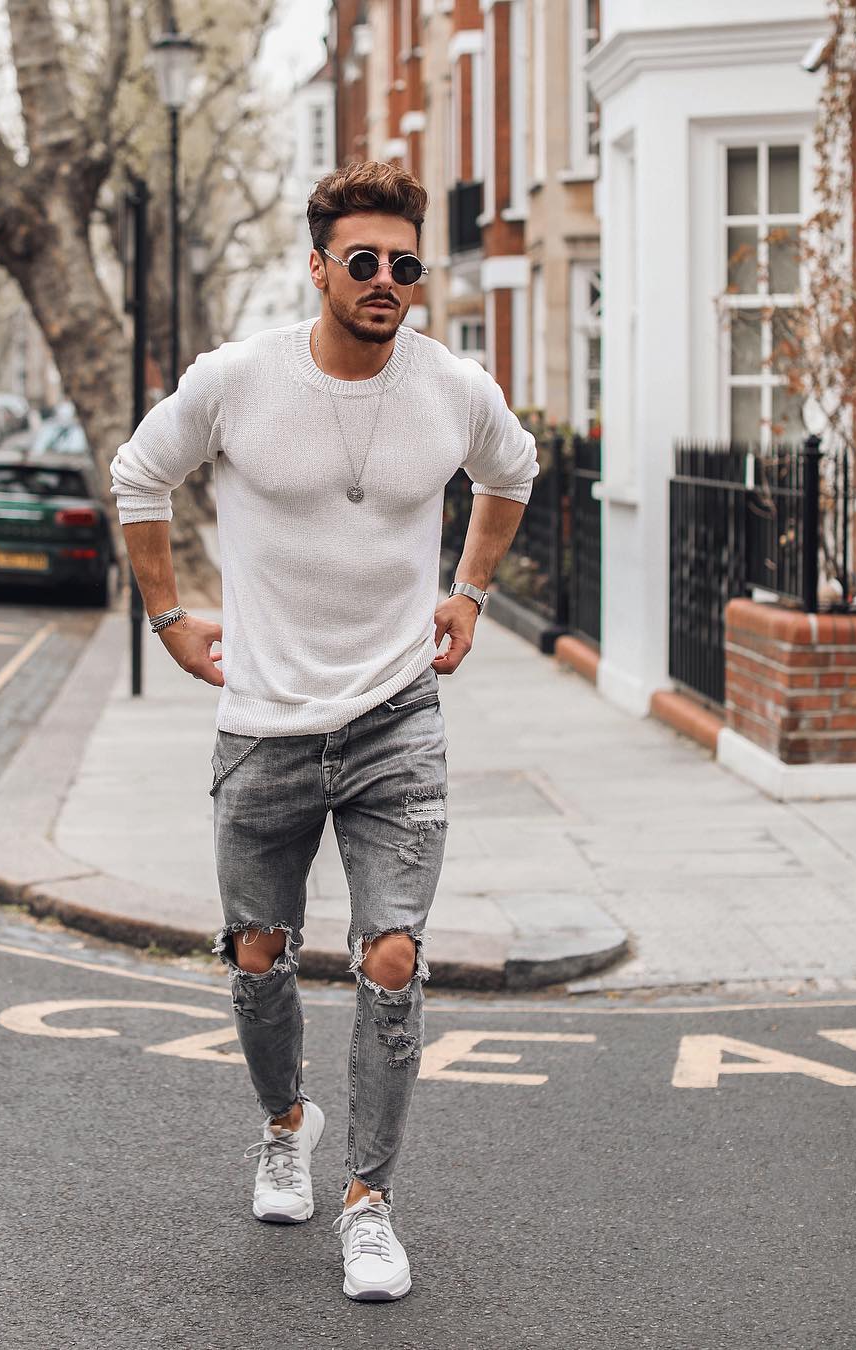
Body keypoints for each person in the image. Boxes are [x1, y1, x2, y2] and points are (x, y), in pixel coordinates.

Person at [110, 160, 537, 1302]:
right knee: (259, 955)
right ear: (320, 268)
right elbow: (139, 475)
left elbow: (515, 470)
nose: (388, 279)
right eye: (365, 261)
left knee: (392, 958)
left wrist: (471, 590)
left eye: (405, 262)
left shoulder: (452, 386)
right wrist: (167, 615)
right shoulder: (240, 378)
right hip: (263, 725)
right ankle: (284, 1122)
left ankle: (369, 1202)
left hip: (399, 716)